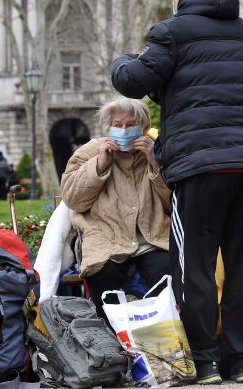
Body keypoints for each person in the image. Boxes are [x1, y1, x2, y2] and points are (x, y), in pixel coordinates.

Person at [109, 0, 243, 384]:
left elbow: (133, 80)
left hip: (200, 166)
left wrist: (123, 59)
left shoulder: (171, 31)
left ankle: (205, 361)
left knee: (194, 266)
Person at [60, 98, 171, 321]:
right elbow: (73, 199)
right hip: (106, 239)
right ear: (108, 126)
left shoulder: (159, 149)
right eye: (117, 125)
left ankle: (164, 341)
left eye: (130, 125)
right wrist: (99, 164)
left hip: (153, 239)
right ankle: (111, 346)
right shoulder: (90, 151)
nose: (123, 130)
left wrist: (154, 163)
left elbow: (173, 203)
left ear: (144, 126)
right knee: (103, 276)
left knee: (168, 274)